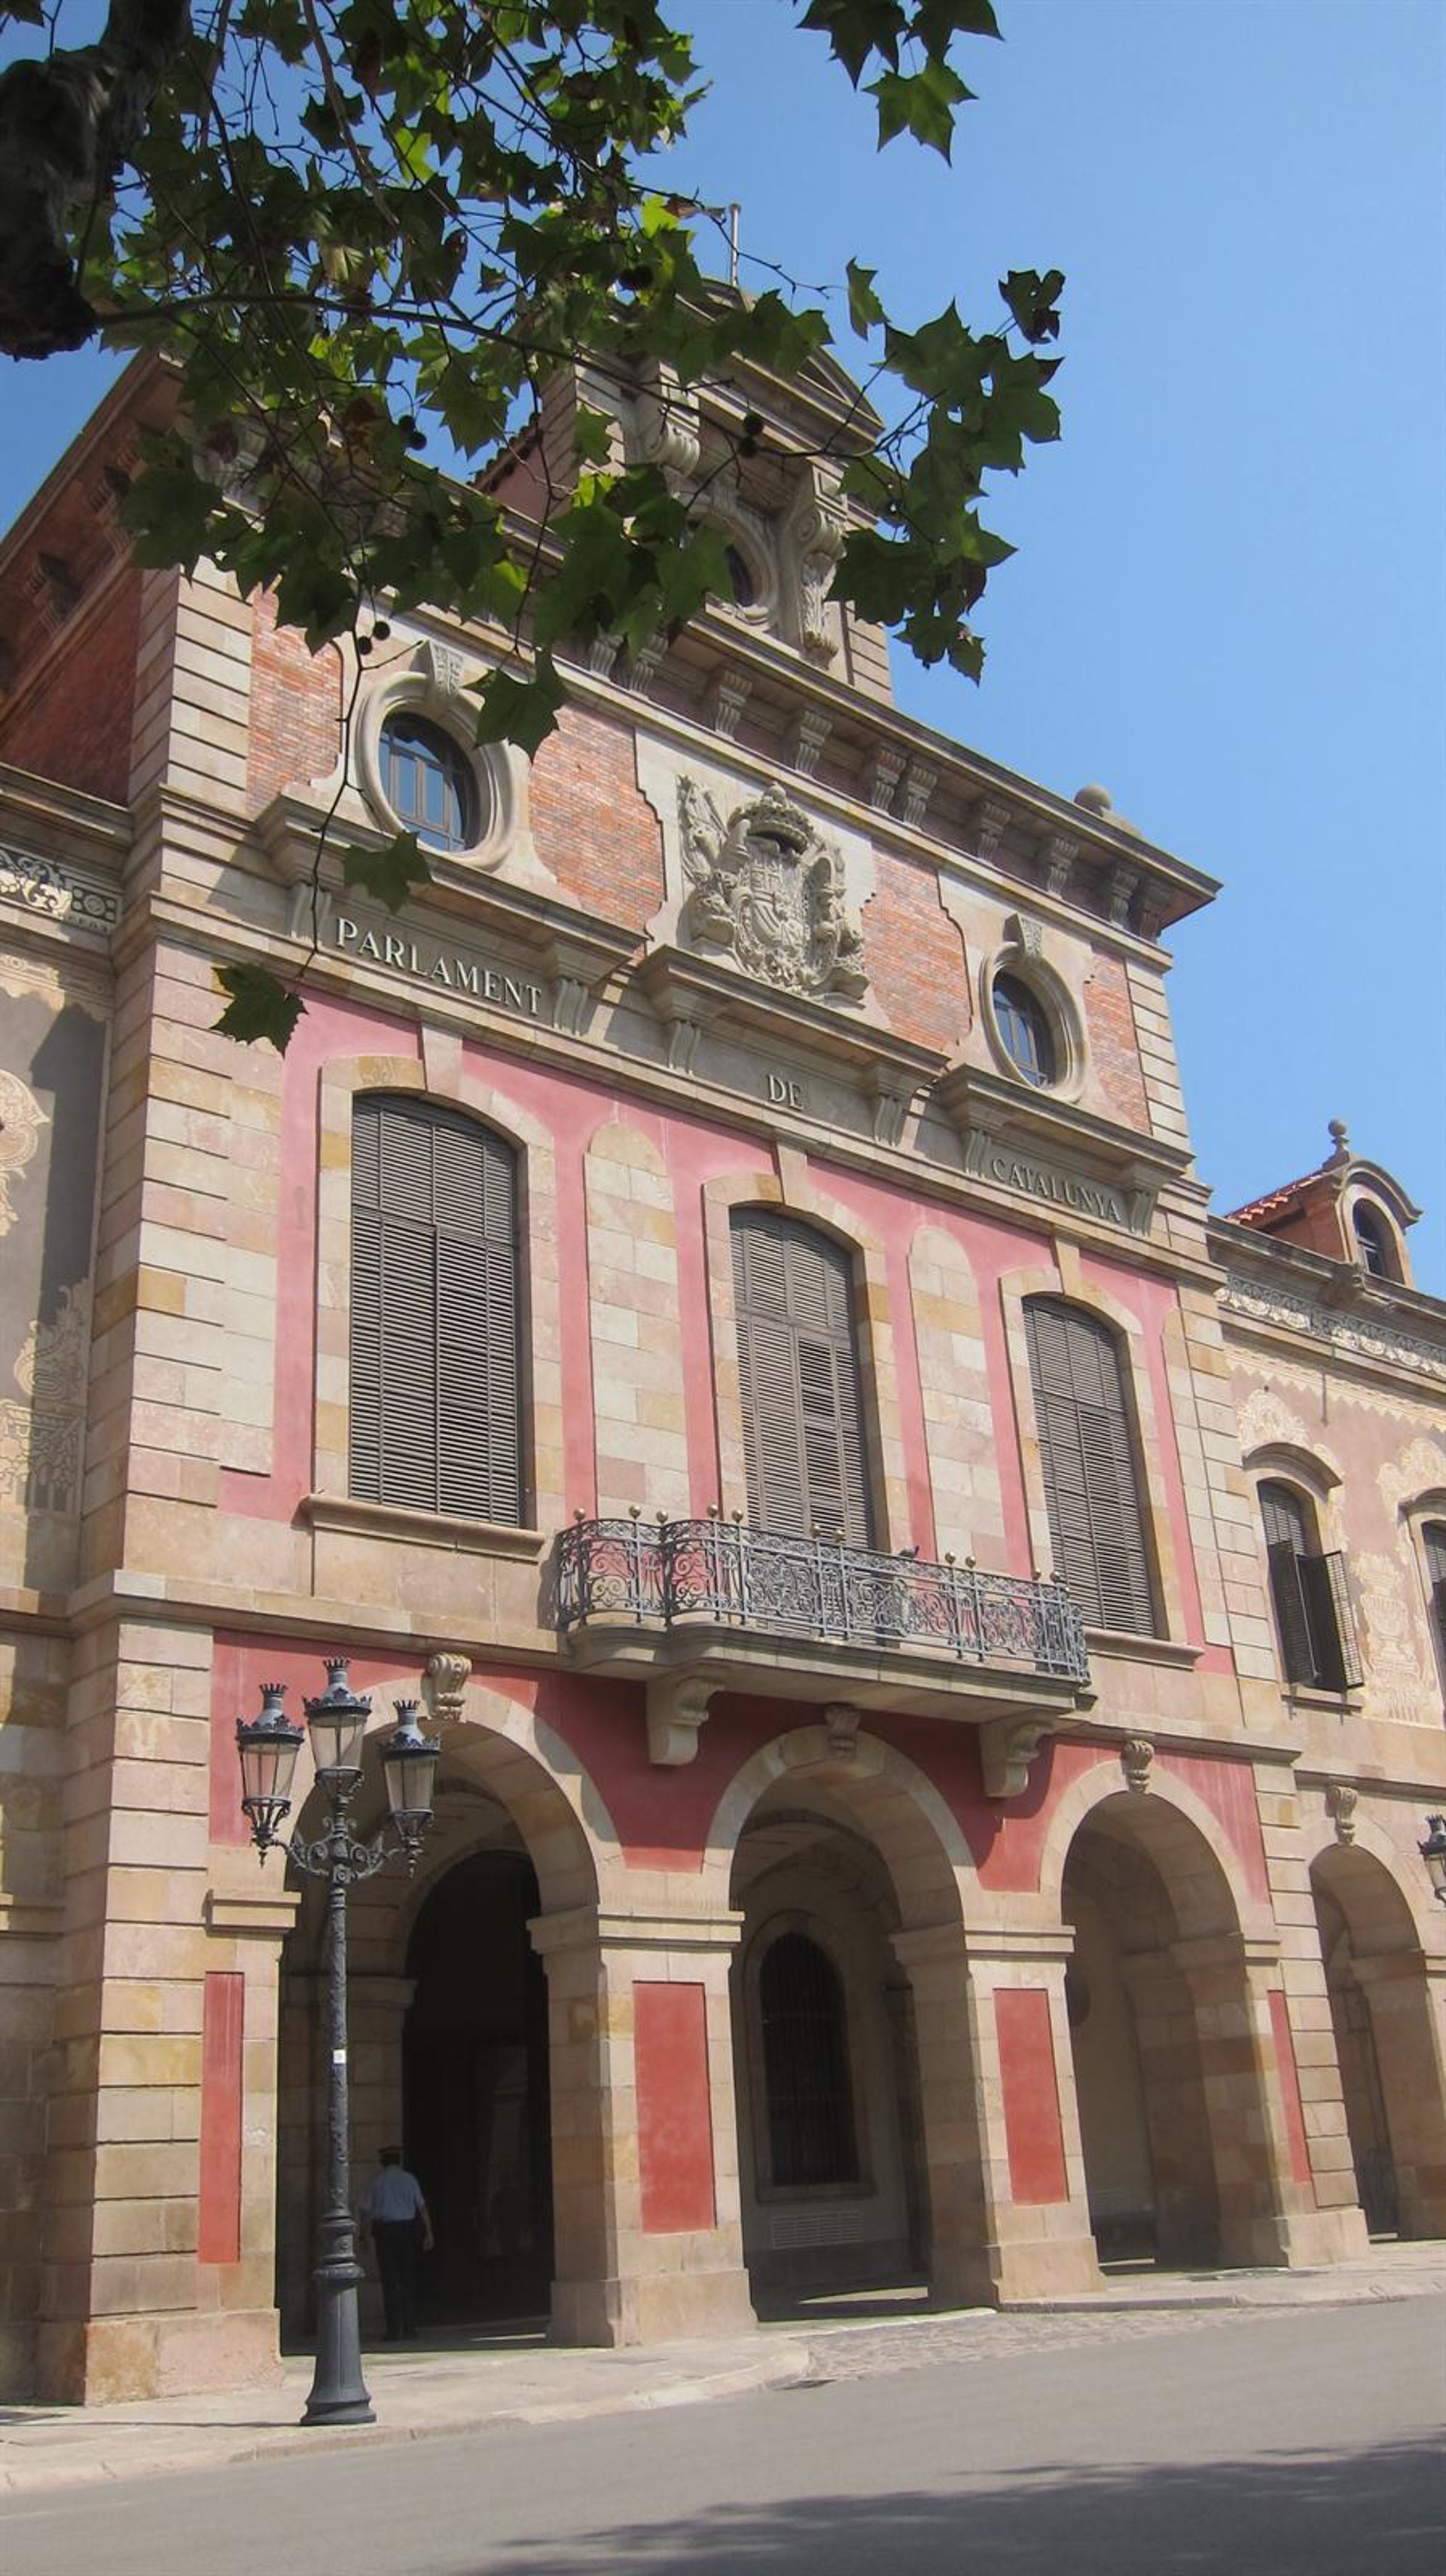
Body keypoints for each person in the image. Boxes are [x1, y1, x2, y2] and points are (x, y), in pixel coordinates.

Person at [358, 2145, 432, 2341]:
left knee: (390, 2281)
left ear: (383, 2162)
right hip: (406, 2232)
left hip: (385, 2234)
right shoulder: (409, 2180)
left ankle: (393, 2330)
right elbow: (422, 2208)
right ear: (398, 2161)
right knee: (408, 2279)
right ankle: (410, 2328)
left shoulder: (377, 2182)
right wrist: (429, 2233)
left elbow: (366, 2213)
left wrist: (363, 2236)